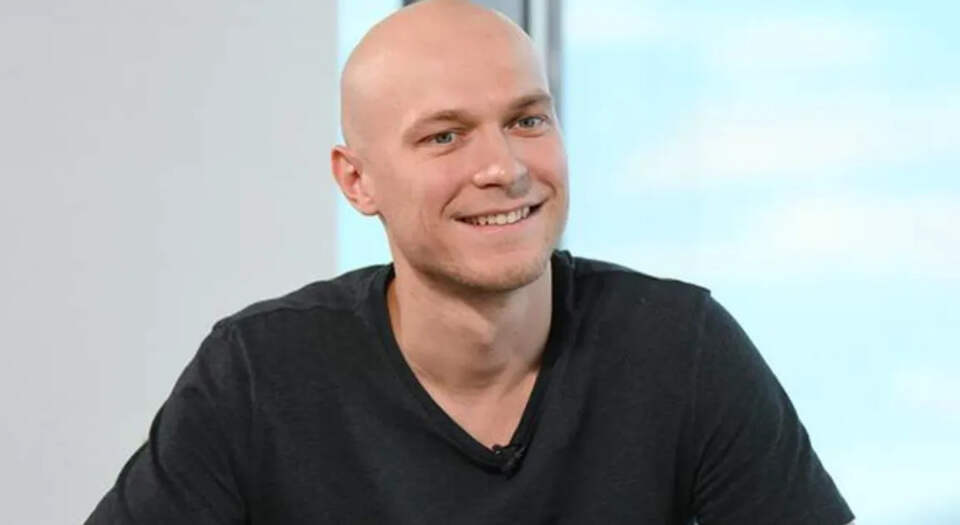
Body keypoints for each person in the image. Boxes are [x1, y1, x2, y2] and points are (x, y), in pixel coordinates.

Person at [86, 1, 854, 523]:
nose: (505, 168)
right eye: (444, 136)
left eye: (527, 120)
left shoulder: (681, 348)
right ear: (357, 181)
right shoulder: (260, 374)